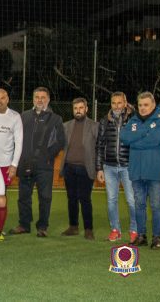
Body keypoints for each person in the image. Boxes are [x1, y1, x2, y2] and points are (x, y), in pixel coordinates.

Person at [10, 87, 65, 237]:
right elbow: (15, 139)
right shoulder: (23, 116)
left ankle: (42, 227)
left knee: (45, 197)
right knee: (23, 196)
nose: (40, 100)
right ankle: (24, 224)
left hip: (44, 166)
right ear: (33, 99)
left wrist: (48, 156)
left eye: (43, 97)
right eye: (37, 97)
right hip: (25, 163)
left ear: (48, 99)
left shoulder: (56, 118)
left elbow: (61, 141)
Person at [120, 92, 160, 250]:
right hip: (136, 171)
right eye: (140, 105)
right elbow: (124, 137)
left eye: (146, 105)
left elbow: (155, 140)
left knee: (156, 205)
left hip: (155, 171)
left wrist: (135, 139)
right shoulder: (133, 120)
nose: (142, 108)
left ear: (153, 104)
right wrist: (144, 132)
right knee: (139, 205)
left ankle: (156, 237)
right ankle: (141, 236)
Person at [96, 91, 137, 243]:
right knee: (111, 200)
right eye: (114, 103)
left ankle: (134, 230)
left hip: (128, 167)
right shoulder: (104, 121)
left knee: (132, 200)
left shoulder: (134, 120)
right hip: (109, 167)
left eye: (120, 103)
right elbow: (100, 145)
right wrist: (99, 168)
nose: (117, 106)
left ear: (125, 103)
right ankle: (115, 230)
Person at [59, 98, 98, 240]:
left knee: (85, 199)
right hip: (69, 167)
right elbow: (60, 144)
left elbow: (99, 148)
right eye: (75, 108)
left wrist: (99, 168)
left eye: (81, 108)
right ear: (73, 110)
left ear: (86, 109)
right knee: (71, 199)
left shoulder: (95, 126)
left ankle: (88, 229)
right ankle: (73, 227)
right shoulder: (66, 126)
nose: (78, 111)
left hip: (85, 168)